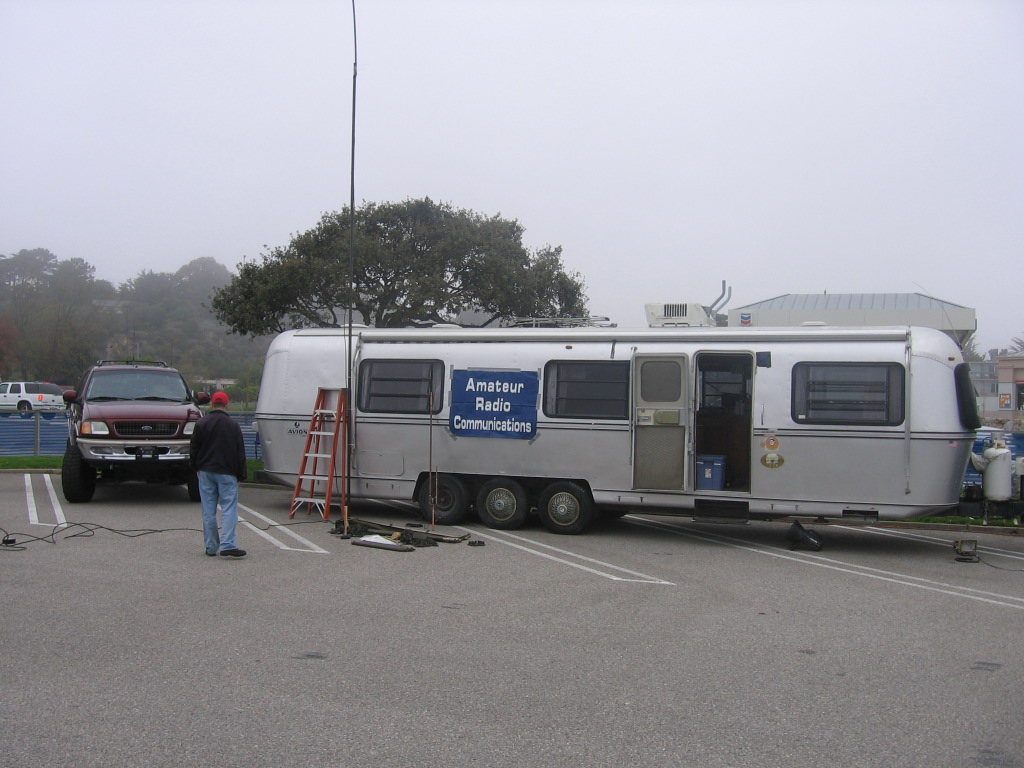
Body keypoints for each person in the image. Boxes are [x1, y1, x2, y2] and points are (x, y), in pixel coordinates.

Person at [189, 391, 248, 558]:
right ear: (227, 405)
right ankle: (228, 544)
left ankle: (211, 546)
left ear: (212, 404)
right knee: (229, 507)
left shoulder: (201, 423)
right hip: (227, 471)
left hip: (206, 470)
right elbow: (240, 452)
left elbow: (194, 448)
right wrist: (241, 474)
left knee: (208, 510)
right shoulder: (233, 425)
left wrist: (195, 467)